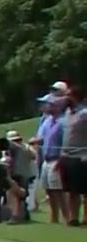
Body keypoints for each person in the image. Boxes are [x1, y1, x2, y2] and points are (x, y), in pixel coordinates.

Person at [33, 95, 69, 224]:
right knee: (49, 189)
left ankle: (67, 217)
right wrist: (35, 141)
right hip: (46, 159)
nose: (46, 106)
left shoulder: (63, 122)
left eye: (49, 104)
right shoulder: (47, 121)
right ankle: (54, 217)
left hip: (56, 159)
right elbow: (43, 138)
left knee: (58, 190)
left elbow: (65, 142)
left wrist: (61, 159)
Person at [60, 89, 87, 226]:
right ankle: (73, 217)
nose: (65, 98)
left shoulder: (84, 114)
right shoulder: (67, 114)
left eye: (68, 96)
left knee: (84, 190)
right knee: (71, 190)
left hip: (81, 157)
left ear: (76, 97)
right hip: (67, 157)